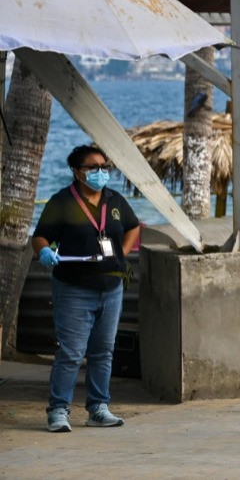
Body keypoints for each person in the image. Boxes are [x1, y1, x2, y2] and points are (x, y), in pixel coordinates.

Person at [31, 144, 141, 432]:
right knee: (71, 351)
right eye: (92, 168)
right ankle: (58, 410)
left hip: (111, 287)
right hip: (73, 287)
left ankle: (98, 407)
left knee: (104, 351)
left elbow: (132, 226)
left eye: (104, 167)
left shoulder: (114, 200)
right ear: (76, 171)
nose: (100, 172)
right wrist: (44, 251)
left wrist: (123, 255)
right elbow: (40, 236)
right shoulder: (62, 202)